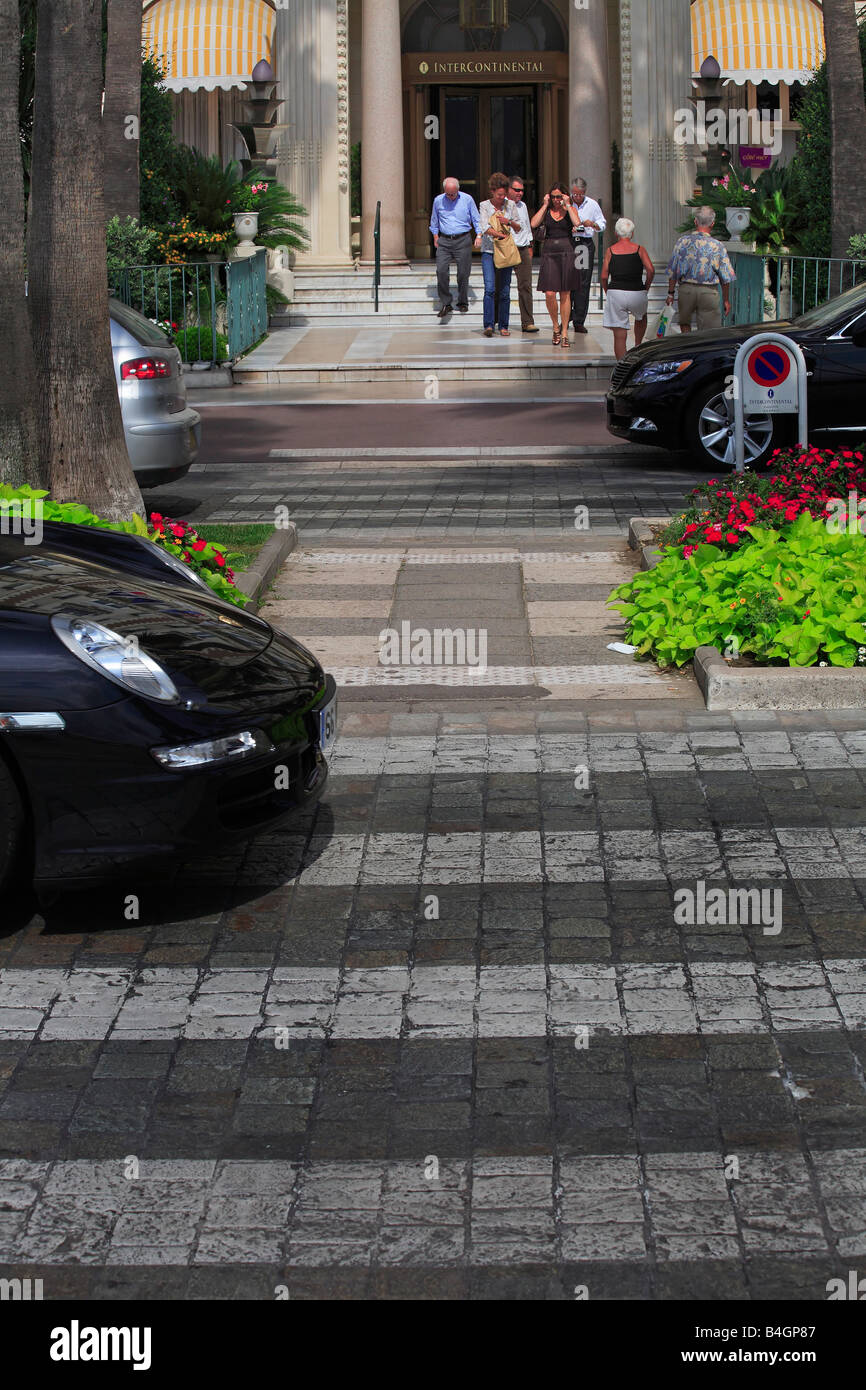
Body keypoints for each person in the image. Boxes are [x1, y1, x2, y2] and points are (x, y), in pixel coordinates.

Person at [666, 207, 735, 332]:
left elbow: (673, 271)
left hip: (686, 289)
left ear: (695, 221)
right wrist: (726, 300)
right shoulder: (717, 246)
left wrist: (670, 293)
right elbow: (726, 277)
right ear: (712, 224)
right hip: (708, 291)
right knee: (709, 330)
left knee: (685, 323)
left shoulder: (682, 242)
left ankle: (688, 348)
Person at [529, 182, 582, 347]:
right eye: (553, 197)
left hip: (567, 252)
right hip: (549, 252)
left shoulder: (568, 210)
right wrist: (545, 205)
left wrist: (567, 204)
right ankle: (555, 326)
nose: (556, 200)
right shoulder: (547, 210)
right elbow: (533, 224)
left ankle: (565, 330)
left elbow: (577, 222)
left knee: (565, 293)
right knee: (550, 293)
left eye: (559, 196)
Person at [601, 218, 655, 360]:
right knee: (641, 317)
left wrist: (608, 291)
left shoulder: (610, 251)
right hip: (637, 290)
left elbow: (604, 276)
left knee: (619, 335)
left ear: (616, 233)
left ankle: (621, 365)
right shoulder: (639, 249)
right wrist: (646, 287)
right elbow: (650, 270)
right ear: (632, 233)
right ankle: (638, 346)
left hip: (616, 292)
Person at [429, 177, 482, 319]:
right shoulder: (438, 200)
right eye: (448, 194)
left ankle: (463, 301)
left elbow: (476, 219)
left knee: (463, 273)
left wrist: (479, 235)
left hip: (463, 239)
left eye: (453, 194)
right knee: (441, 271)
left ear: (458, 190)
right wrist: (435, 237)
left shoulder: (467, 199)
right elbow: (434, 220)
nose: (450, 197)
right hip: (444, 240)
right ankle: (446, 303)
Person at [479, 172, 521, 338]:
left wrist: (508, 222)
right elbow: (483, 227)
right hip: (489, 251)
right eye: (499, 195)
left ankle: (503, 325)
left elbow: (519, 227)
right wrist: (499, 233)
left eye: (504, 195)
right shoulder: (484, 206)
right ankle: (489, 324)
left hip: (506, 252)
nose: (501, 198)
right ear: (492, 191)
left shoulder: (510, 205)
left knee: (504, 290)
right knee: (490, 288)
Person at [569, 178, 606, 334]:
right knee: (567, 280)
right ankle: (567, 314)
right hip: (569, 243)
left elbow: (602, 223)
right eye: (574, 194)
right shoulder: (566, 203)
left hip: (584, 244)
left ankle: (579, 319)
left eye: (580, 194)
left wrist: (593, 224)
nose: (577, 197)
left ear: (585, 192)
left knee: (583, 282)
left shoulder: (592, 204)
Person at [507, 175, 538, 334]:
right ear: (508, 189)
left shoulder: (523, 206)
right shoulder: (502, 205)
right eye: (516, 190)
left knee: (525, 286)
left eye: (522, 190)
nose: (519, 193)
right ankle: (500, 322)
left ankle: (527, 322)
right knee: (501, 287)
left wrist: (530, 244)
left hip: (523, 248)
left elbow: (526, 225)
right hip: (506, 248)